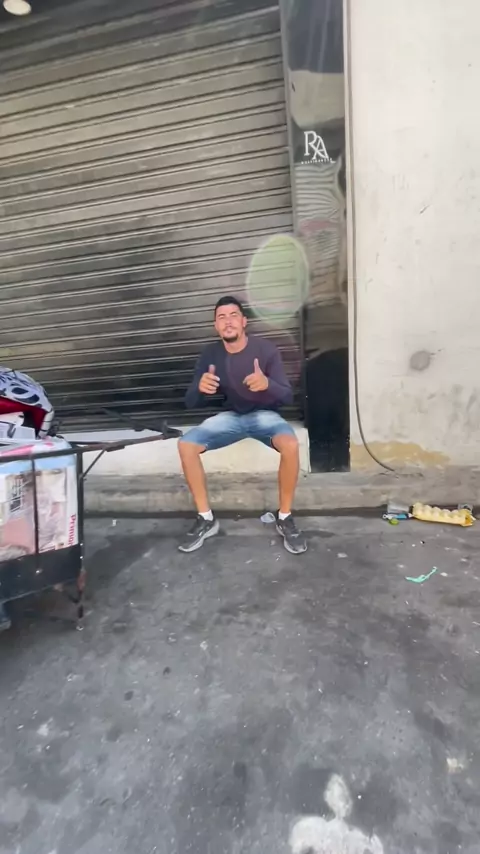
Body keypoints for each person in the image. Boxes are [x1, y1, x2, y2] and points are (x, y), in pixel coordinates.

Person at [177, 296, 307, 555]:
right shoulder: (210, 354)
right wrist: (200, 389)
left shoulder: (266, 350)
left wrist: (267, 384)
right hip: (231, 417)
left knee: (291, 445)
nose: (228, 321)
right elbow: (190, 402)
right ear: (216, 325)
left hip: (264, 416)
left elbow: (287, 396)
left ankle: (284, 517)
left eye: (233, 315)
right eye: (222, 317)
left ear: (244, 321)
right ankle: (206, 518)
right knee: (186, 444)